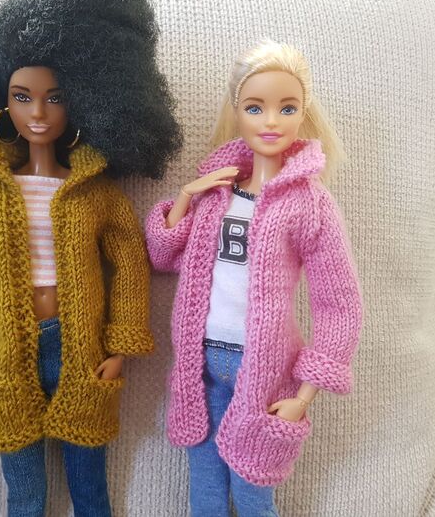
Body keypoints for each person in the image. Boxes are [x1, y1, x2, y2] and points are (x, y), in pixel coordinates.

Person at [0, 0, 182, 516]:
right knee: (24, 493)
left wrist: (119, 345)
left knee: (90, 488)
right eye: (22, 96)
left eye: (55, 98)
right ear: (0, 103)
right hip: (6, 354)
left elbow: (129, 265)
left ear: (85, 99)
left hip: (83, 352)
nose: (38, 112)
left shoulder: (97, 191)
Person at [145, 41, 362, 516]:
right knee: (204, 490)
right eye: (255, 107)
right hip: (200, 365)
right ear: (236, 111)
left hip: (264, 373)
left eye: (287, 108)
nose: (271, 122)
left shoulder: (309, 203)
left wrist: (304, 395)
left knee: (253, 494)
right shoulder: (216, 193)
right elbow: (163, 256)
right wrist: (186, 196)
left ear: (303, 113)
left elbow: (339, 304)